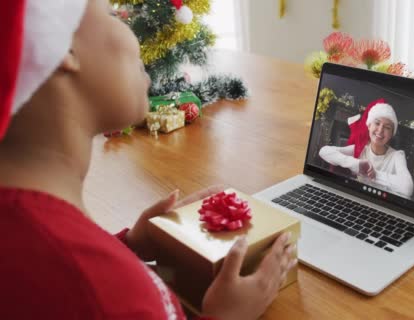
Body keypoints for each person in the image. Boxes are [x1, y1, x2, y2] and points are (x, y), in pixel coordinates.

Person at [0, 1, 296, 319]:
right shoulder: (108, 292)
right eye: (110, 13)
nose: (130, 26)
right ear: (61, 47)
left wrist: (126, 247)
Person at [319, 99, 414, 198]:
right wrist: (357, 164)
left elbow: (407, 188)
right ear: (369, 126)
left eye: (387, 127)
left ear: (391, 134)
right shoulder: (361, 149)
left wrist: (375, 174)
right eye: (377, 123)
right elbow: (324, 151)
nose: (380, 130)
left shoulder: (397, 156)